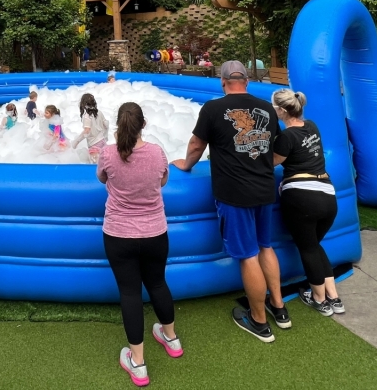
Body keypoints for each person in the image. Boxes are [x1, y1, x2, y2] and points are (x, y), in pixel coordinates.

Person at [172, 60, 288, 342]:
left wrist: (185, 165)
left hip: (235, 194)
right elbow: (282, 146)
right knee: (265, 246)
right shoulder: (266, 108)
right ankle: (279, 308)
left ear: (223, 82)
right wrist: (265, 165)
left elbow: (196, 145)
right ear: (246, 81)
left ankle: (259, 321)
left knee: (248, 255)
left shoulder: (213, 109)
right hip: (264, 189)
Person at [98, 102, 180, 386]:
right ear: (143, 124)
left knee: (130, 293)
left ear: (118, 125)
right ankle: (171, 338)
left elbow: (102, 177)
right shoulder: (157, 153)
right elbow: (163, 181)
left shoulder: (108, 153)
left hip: (119, 234)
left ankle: (138, 363)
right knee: (157, 284)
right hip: (155, 232)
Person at [270, 89, 342, 317]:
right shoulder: (312, 126)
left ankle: (319, 299)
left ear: (281, 110)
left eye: (273, 107)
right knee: (314, 245)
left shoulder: (286, 137)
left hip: (302, 199)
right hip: (328, 196)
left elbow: (271, 162)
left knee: (308, 249)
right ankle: (334, 296)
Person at [73, 93, 109, 163]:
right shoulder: (99, 112)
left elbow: (87, 131)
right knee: (104, 163)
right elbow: (106, 124)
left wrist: (76, 142)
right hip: (102, 141)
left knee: (95, 166)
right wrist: (105, 136)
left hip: (94, 144)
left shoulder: (87, 117)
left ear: (83, 104)